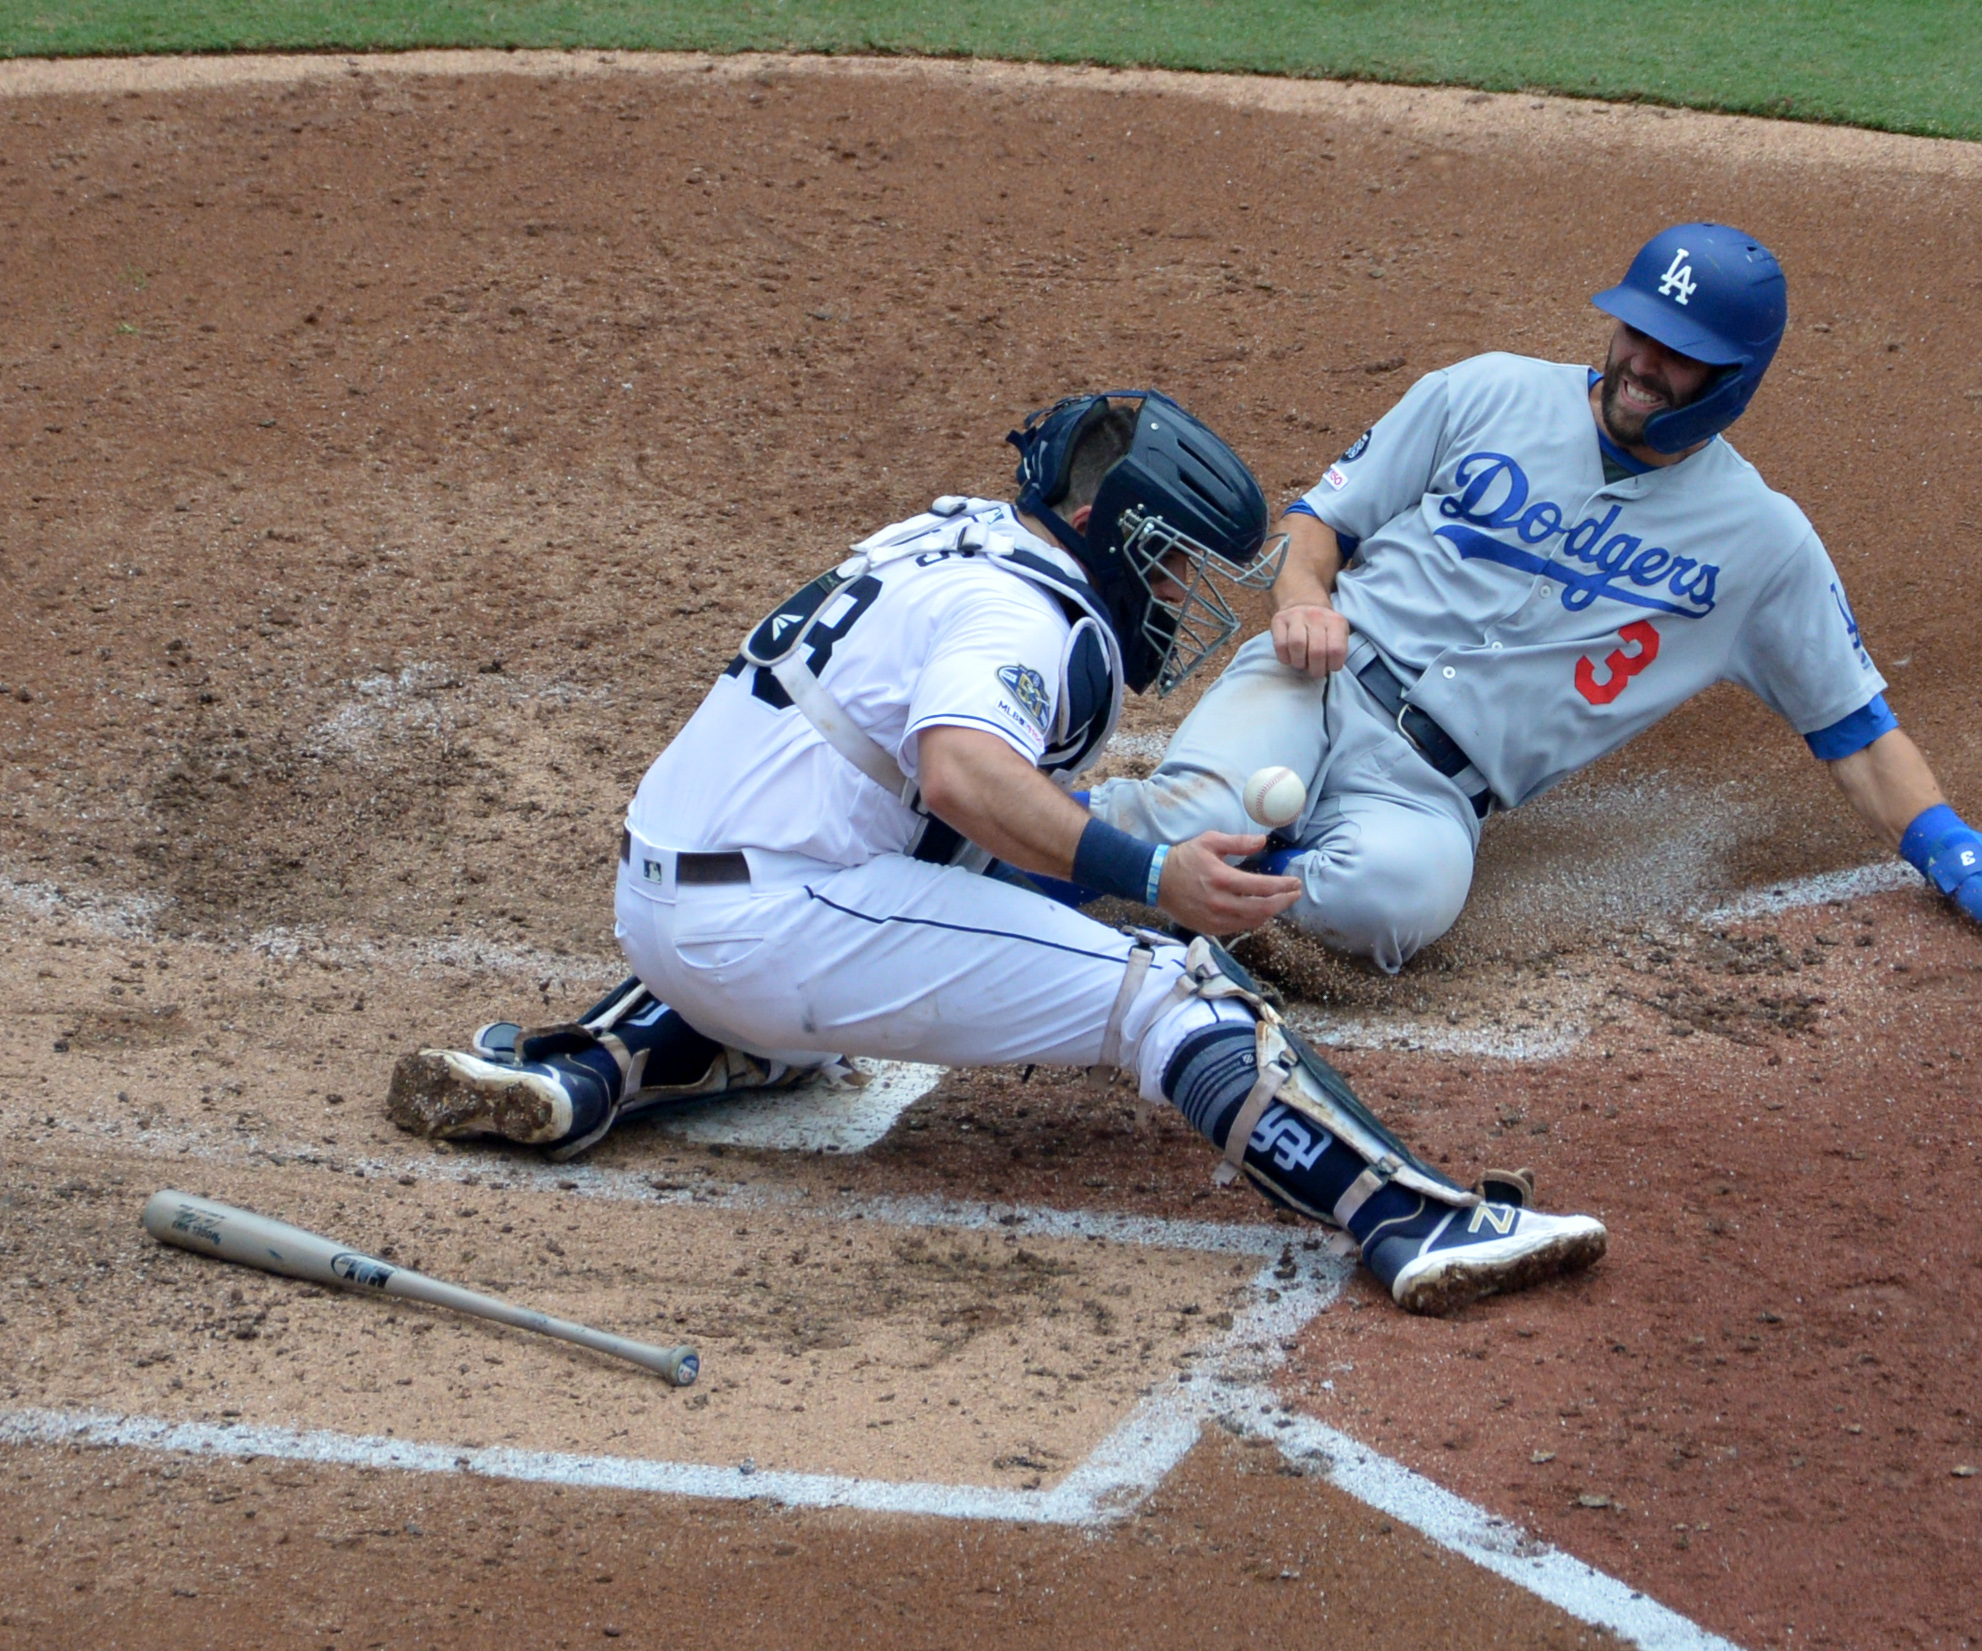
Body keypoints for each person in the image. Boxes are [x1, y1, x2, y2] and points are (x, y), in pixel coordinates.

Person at [385, 391, 1606, 1315]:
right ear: (1117, 533)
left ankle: (599, 1064)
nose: (1180, 595)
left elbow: (957, 811)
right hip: (777, 925)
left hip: (669, 901)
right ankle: (1405, 1220)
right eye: (1171, 563)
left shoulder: (942, 536)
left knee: (964, 879)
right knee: (1167, 995)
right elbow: (967, 778)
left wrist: (1097, 868)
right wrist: (1152, 880)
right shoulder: (1021, 614)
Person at [1087, 224, 1982, 972]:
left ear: (1734, 376)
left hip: (1430, 796)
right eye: (1636, 332)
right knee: (1195, 812)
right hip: (1320, 680)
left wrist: (1965, 867)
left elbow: (1855, 731)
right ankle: (1025, 846)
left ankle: (1236, 884)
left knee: (1394, 904)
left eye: (1677, 356)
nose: (1640, 363)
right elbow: (1321, 520)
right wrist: (1305, 595)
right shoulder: (1486, 388)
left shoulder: (1759, 543)